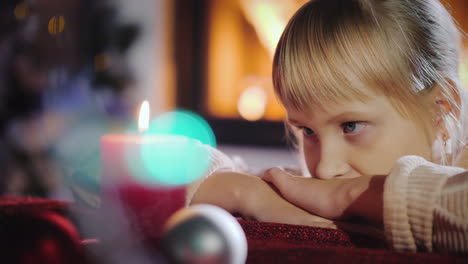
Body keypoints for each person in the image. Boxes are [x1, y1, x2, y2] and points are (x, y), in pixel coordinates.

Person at [187, 0, 468, 254]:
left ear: (439, 112)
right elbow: (155, 165)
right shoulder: (308, 192)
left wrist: (353, 194)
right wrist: (246, 192)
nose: (323, 168)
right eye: (307, 131)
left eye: (351, 126)